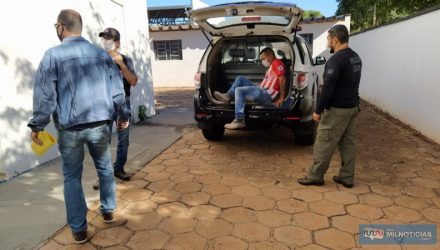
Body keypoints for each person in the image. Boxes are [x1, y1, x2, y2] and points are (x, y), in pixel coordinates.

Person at [27, 9, 128, 244]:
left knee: (72, 177)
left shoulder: (52, 55)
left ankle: (79, 229)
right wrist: (122, 114)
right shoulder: (102, 55)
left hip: (70, 128)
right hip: (101, 125)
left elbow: (45, 96)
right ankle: (108, 211)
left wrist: (37, 125)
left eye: (56, 27)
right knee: (104, 168)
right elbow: (117, 91)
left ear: (61, 27)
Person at [297, 24, 362, 188]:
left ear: (335, 39)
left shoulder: (336, 60)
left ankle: (315, 176)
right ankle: (347, 177)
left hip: (338, 110)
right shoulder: (356, 57)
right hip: (352, 108)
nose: (327, 42)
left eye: (328, 39)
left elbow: (327, 89)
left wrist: (318, 110)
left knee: (324, 142)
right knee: (348, 143)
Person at [92, 28, 138, 190]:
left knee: (123, 140)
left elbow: (133, 82)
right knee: (102, 142)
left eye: (109, 39)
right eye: (103, 39)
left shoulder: (126, 60)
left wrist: (121, 65)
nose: (105, 42)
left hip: (123, 106)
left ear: (117, 43)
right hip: (104, 106)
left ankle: (119, 169)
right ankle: (103, 175)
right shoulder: (97, 60)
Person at [214, 47, 286, 129]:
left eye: (263, 59)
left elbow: (282, 79)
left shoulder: (277, 63)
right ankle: (228, 96)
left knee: (239, 91)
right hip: (261, 90)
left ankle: (239, 120)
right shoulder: (271, 66)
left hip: (267, 94)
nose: (262, 61)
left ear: (269, 56)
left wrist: (282, 97)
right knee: (240, 78)